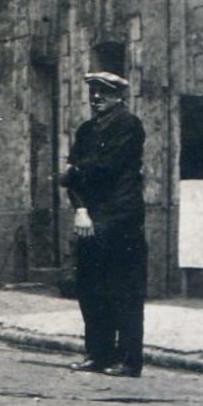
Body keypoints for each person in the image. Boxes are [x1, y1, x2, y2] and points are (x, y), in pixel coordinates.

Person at [61, 71, 147, 377]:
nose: (97, 97)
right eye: (93, 92)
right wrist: (80, 208)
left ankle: (128, 359)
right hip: (91, 217)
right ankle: (98, 353)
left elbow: (105, 168)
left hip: (121, 215)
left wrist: (73, 173)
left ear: (119, 96)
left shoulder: (128, 125)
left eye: (105, 92)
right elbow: (74, 180)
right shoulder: (85, 130)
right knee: (91, 287)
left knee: (124, 288)